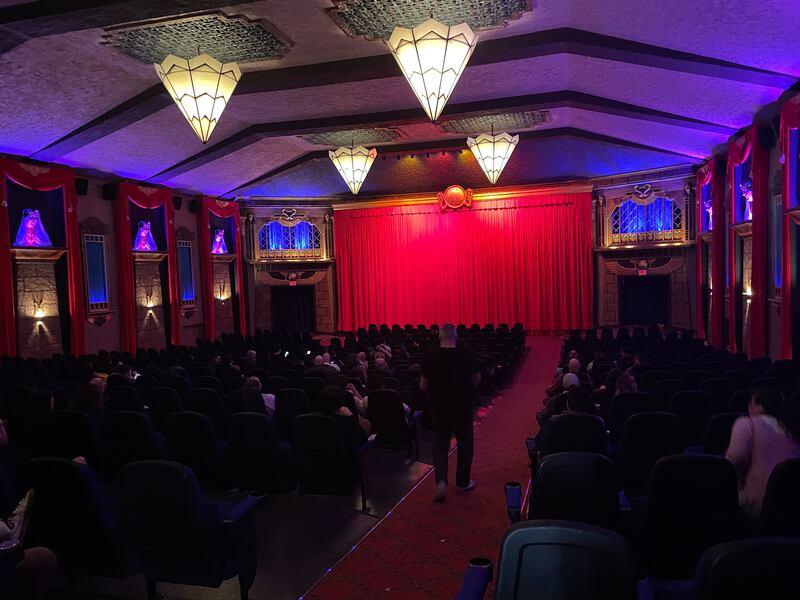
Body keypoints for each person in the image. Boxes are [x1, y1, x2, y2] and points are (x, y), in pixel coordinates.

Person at [421, 324, 480, 502]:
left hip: (439, 408)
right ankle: (462, 483)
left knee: (440, 447)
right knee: (465, 446)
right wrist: (467, 390)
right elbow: (477, 378)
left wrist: (433, 393)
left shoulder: (430, 356)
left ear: (439, 336)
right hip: (462, 407)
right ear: (456, 336)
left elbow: (423, 385)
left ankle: (441, 482)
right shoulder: (467, 354)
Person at [726, 388, 800, 516]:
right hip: (793, 507)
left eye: (751, 404)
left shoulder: (747, 424)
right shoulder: (793, 428)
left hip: (757, 507)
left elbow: (733, 462)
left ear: (758, 405)